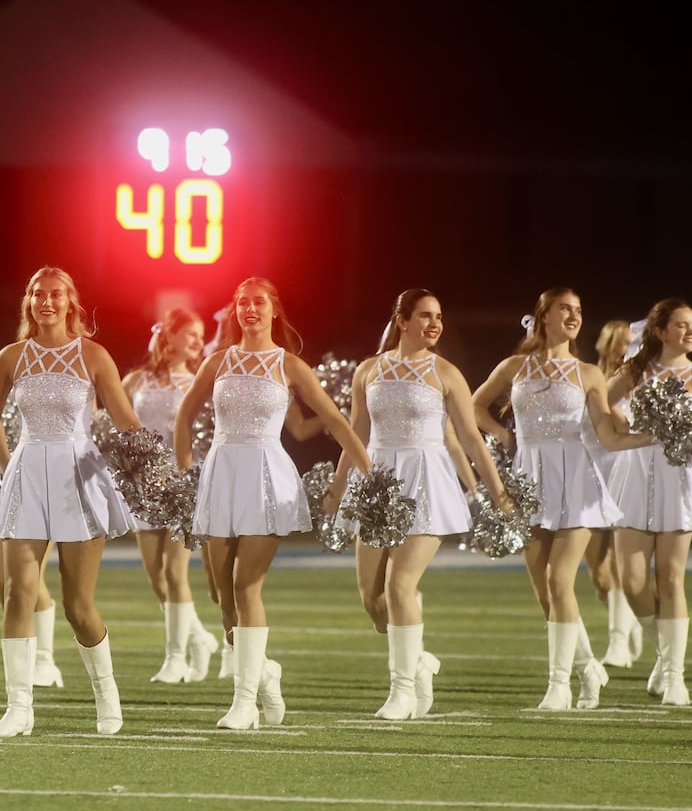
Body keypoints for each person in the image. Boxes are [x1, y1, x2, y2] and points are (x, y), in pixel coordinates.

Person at [173, 276, 374, 730]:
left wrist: (368, 472)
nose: (249, 309)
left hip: (266, 477)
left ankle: (244, 703)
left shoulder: (289, 365)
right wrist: (185, 474)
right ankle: (264, 672)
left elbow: (337, 422)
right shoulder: (218, 361)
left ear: (273, 310)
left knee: (246, 587)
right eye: (242, 302)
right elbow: (185, 416)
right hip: (221, 474)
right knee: (220, 596)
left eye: (258, 302)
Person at [325, 289, 513, 720]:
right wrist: (337, 491)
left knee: (400, 585)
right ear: (402, 320)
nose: (434, 324)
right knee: (373, 603)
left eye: (439, 317)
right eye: (425, 316)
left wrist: (496, 490)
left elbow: (468, 437)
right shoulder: (368, 371)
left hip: (426, 481)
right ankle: (420, 661)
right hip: (377, 484)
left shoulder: (446, 372)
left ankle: (402, 690)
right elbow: (355, 435)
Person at [0, 266, 145, 737]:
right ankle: (19, 710)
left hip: (80, 477)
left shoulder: (93, 355)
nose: (46, 301)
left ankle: (107, 698)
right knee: (19, 595)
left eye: (55, 295)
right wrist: (10, 464)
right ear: (28, 302)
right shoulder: (10, 358)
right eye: (37, 294)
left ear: (71, 303)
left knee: (78, 606)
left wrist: (148, 470)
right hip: (28, 473)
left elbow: (125, 420)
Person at [472, 286, 650, 711]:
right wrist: (500, 433)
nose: (573, 316)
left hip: (576, 481)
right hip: (529, 478)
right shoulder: (515, 366)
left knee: (559, 579)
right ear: (544, 316)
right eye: (564, 309)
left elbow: (606, 434)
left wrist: (653, 437)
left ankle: (559, 685)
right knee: (544, 589)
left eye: (578, 310)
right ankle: (589, 666)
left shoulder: (588, 373)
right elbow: (475, 406)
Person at [603, 300, 692, 705]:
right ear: (659, 331)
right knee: (631, 580)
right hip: (634, 473)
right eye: (681, 325)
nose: (691, 332)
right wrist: (618, 422)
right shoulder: (633, 372)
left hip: (680, 479)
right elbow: (598, 404)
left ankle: (675, 675)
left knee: (671, 578)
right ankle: (663, 649)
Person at [120, 307, 220, 683]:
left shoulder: (200, 381)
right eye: (191, 333)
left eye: (201, 335)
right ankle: (200, 638)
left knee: (174, 572)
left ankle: (175, 657)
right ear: (170, 335)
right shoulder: (136, 379)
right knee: (156, 579)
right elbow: (119, 425)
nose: (198, 341)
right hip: (146, 484)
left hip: (184, 482)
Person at [588, 318, 643, 668]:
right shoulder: (591, 377)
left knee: (619, 564)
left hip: (625, 470)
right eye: (621, 341)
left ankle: (618, 640)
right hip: (593, 474)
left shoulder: (639, 378)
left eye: (631, 341)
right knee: (599, 575)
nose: (627, 347)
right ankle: (628, 618)